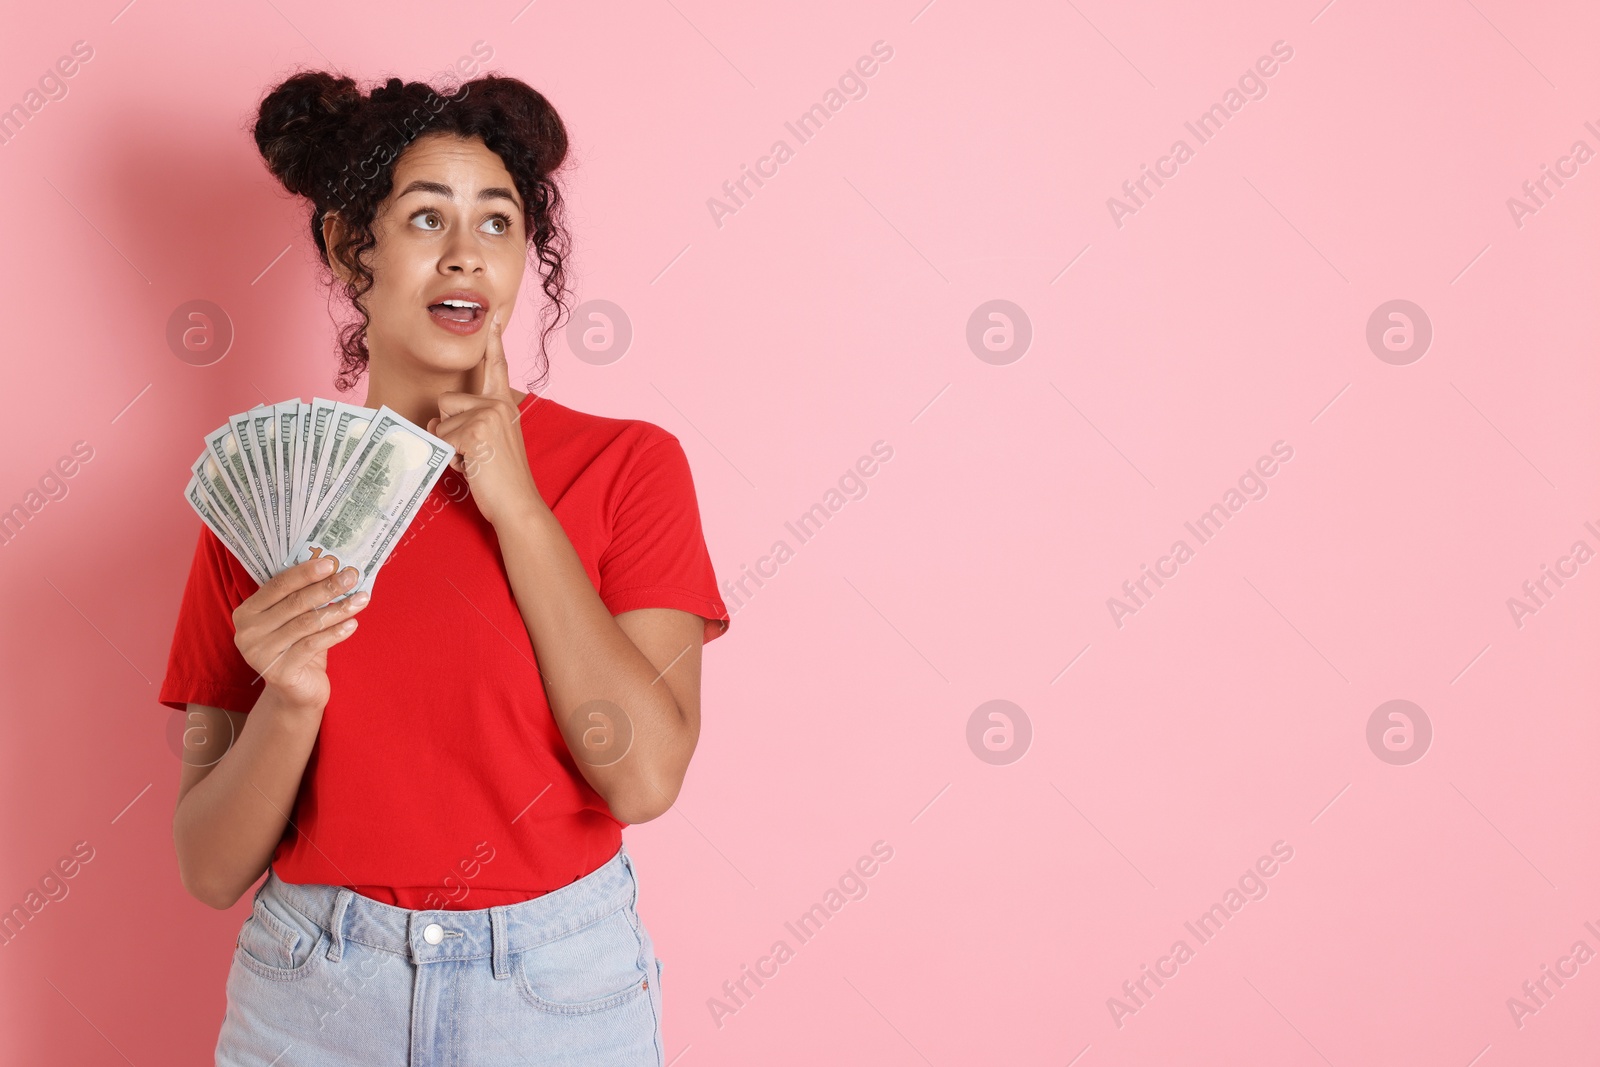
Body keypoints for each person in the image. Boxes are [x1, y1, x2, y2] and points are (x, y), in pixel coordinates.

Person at [159, 70, 730, 1065]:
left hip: (554, 991)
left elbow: (640, 774)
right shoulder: (264, 498)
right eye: (426, 218)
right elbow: (210, 866)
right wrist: (292, 697)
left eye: (499, 223)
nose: (467, 255)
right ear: (349, 246)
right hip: (313, 991)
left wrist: (514, 502)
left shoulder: (628, 466)